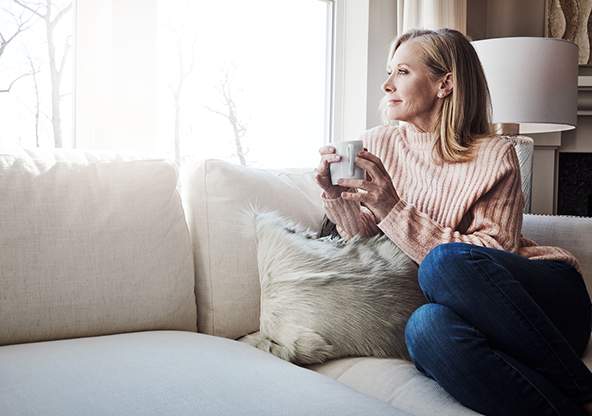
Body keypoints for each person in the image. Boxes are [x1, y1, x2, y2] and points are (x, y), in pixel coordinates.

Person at [314, 28, 592, 416]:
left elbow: (492, 255)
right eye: (389, 71)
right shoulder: (377, 143)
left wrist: (393, 208)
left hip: (547, 298)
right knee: (425, 329)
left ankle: (584, 389)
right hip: (473, 317)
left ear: (444, 83)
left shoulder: (495, 154)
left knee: (443, 263)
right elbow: (370, 241)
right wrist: (337, 196)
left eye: (402, 72)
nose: (386, 84)